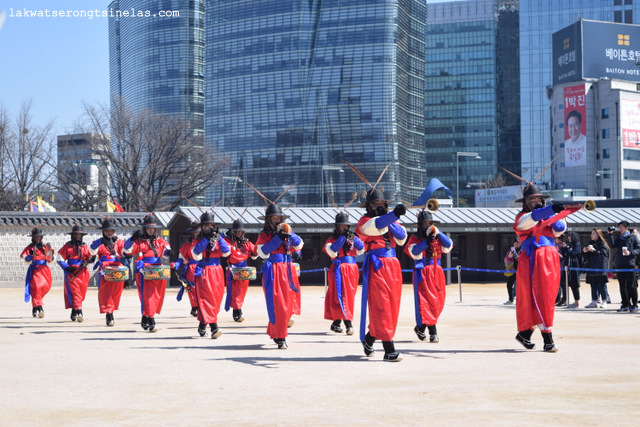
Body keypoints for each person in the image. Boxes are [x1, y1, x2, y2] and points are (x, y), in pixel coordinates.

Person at [513, 183, 570, 352]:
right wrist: (549, 211)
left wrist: (555, 215)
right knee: (540, 296)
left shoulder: (547, 217)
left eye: (539, 199)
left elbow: (560, 229)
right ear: (525, 202)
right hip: (533, 258)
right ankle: (548, 339)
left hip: (550, 257)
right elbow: (533, 218)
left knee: (549, 296)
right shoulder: (522, 218)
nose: (536, 201)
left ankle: (525, 333)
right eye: (532, 199)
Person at [356, 188, 407, 361]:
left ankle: (370, 338)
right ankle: (389, 349)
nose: (379, 206)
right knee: (382, 306)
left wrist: (393, 218)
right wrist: (392, 216)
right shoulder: (365, 221)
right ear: (369, 207)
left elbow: (401, 237)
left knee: (392, 307)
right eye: (376, 204)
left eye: (381, 204)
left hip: (392, 265)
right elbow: (376, 226)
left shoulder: (390, 221)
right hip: (376, 265)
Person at [256, 203, 304, 349]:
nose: (277, 220)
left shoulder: (287, 231)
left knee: (290, 304)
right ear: (268, 220)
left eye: (278, 218)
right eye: (274, 218)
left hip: (288, 269)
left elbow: (299, 245)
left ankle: (276, 331)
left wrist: (289, 233)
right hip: (274, 271)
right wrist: (277, 238)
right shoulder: (263, 235)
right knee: (278, 306)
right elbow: (263, 252)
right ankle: (281, 336)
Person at [405, 210, 452, 343]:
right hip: (423, 272)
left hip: (437, 271)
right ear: (420, 225)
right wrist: (426, 241)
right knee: (425, 303)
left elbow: (448, 245)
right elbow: (414, 251)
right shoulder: (415, 238)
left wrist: (438, 233)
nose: (428, 225)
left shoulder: (437, 236)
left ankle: (420, 327)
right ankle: (433, 332)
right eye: (425, 223)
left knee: (437, 302)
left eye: (430, 223)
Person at [123, 214, 172, 332]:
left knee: (156, 296)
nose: (151, 230)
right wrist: (132, 238)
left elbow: (166, 248)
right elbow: (126, 250)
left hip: (158, 271)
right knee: (148, 296)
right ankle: (151, 321)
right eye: (148, 228)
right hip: (144, 271)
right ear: (145, 228)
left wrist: (169, 251)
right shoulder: (139, 241)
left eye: (153, 228)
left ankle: (145, 316)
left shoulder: (159, 240)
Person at [323, 211, 364, 336]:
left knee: (349, 296)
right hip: (338, 269)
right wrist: (342, 237)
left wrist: (353, 237)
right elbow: (332, 251)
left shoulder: (350, 237)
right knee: (339, 296)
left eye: (346, 226)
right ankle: (348, 323)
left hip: (352, 269)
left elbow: (361, 248)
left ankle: (336, 323)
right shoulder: (331, 239)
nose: (344, 228)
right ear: (337, 227)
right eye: (342, 226)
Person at [191, 212, 231, 338]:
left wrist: (220, 239)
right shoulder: (198, 240)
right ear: (202, 227)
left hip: (218, 271)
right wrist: (206, 239)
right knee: (206, 299)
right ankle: (214, 327)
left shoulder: (218, 238)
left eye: (212, 225)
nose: (210, 228)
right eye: (207, 226)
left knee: (216, 299)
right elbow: (195, 253)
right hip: (204, 270)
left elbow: (226, 252)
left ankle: (202, 325)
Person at [89, 217, 126, 326]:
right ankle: (109, 314)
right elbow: (91, 251)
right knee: (106, 293)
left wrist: (125, 253)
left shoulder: (119, 242)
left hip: (117, 270)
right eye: (107, 231)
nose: (109, 233)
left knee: (116, 292)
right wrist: (99, 242)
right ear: (103, 231)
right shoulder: (99, 243)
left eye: (111, 231)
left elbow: (126, 251)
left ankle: (112, 310)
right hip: (105, 270)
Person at [57, 225, 94, 322]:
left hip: (83, 272)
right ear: (72, 235)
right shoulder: (67, 246)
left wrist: (88, 260)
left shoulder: (85, 246)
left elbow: (90, 258)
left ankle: (74, 310)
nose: (77, 236)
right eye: (76, 234)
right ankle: (80, 312)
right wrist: (67, 267)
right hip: (72, 273)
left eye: (79, 234)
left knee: (81, 293)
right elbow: (59, 258)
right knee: (76, 292)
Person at [223, 219, 258, 323]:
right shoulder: (228, 241)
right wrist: (224, 234)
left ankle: (237, 310)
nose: (239, 233)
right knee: (233, 292)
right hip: (232, 270)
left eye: (241, 231)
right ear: (233, 231)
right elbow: (220, 244)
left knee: (241, 292)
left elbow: (255, 251)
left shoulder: (246, 243)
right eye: (237, 231)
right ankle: (237, 312)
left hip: (244, 271)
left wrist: (254, 253)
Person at [20, 227, 54, 318]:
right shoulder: (30, 247)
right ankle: (40, 308)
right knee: (37, 287)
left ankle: (35, 307)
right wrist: (30, 256)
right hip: (35, 270)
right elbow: (24, 257)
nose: (37, 238)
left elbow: (51, 258)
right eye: (36, 237)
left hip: (45, 270)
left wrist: (50, 255)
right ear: (33, 238)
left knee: (44, 288)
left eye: (39, 236)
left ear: (41, 237)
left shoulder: (45, 247)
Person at [174, 221, 201, 318]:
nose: (196, 234)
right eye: (194, 232)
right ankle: (194, 307)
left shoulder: (206, 242)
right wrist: (176, 264)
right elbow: (181, 258)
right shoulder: (187, 245)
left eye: (198, 232)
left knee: (203, 289)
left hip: (204, 268)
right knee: (191, 288)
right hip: (191, 269)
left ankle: (202, 306)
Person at [613, 220, 640, 313]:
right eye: (619, 227)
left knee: (632, 285)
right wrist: (610, 234)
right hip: (620, 264)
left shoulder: (633, 237)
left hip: (630, 264)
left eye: (621, 227)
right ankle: (625, 304)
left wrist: (630, 252)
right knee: (622, 286)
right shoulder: (619, 238)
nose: (620, 229)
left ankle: (634, 305)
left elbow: (638, 249)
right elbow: (612, 245)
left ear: (627, 228)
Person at [582, 228, 610, 309]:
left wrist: (594, 250)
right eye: (591, 233)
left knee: (602, 285)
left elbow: (603, 255)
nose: (591, 235)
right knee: (593, 285)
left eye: (593, 233)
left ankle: (604, 300)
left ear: (598, 234)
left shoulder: (602, 244)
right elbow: (587, 257)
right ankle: (594, 301)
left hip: (600, 267)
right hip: (592, 267)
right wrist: (585, 251)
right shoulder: (590, 243)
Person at [564, 231, 582, 308]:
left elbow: (574, 253)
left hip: (575, 267)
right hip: (570, 267)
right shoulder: (570, 245)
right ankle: (574, 301)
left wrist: (567, 249)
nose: (568, 238)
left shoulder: (577, 244)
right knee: (571, 284)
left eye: (569, 237)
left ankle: (577, 301)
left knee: (575, 285)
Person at [503, 240, 520, 305]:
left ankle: (520, 300)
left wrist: (516, 256)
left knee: (520, 286)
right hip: (512, 271)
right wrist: (509, 256)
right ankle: (511, 299)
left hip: (521, 271)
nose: (516, 245)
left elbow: (521, 259)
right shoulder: (511, 250)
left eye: (517, 244)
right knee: (509, 285)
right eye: (515, 244)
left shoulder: (522, 250)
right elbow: (506, 259)